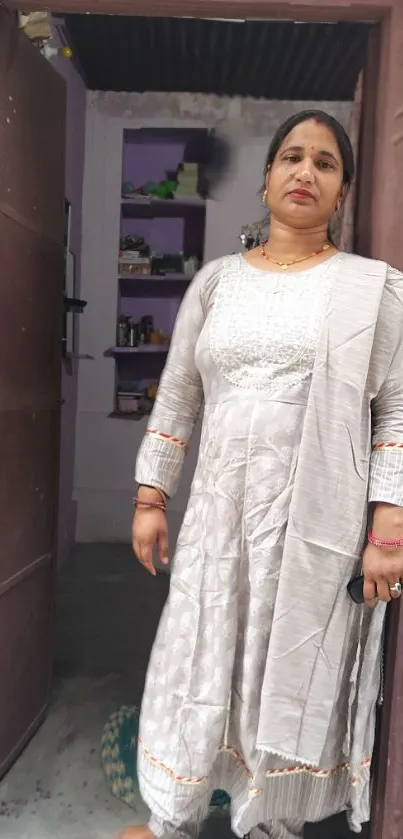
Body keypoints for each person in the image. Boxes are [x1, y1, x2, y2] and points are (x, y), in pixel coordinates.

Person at [115, 110, 403, 839]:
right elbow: (179, 392)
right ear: (268, 177)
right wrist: (152, 494)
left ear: (341, 192)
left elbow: (396, 413)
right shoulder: (216, 283)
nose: (305, 172)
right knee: (198, 651)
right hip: (217, 516)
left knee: (284, 665)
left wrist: (388, 526)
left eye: (325, 163)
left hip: (311, 524)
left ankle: (269, 819)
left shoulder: (371, 290)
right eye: (291, 158)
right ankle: (172, 815)